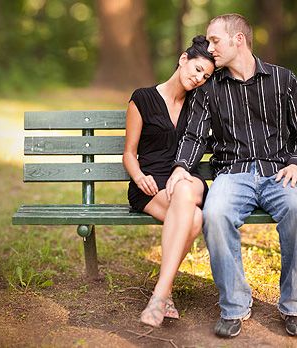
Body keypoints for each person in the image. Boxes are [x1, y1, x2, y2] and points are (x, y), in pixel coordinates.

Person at [167, 14, 297, 338]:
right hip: (232, 173)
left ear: (238, 40)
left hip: (278, 172)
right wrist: (181, 167)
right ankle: (234, 306)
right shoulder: (211, 87)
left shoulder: (282, 79)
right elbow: (195, 135)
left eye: (215, 41)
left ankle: (295, 305)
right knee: (215, 212)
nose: (209, 48)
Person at [122, 35, 215, 328]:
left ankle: (159, 295)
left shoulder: (200, 105)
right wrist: (139, 177)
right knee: (196, 219)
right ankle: (167, 292)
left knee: (186, 189)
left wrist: (293, 107)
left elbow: (247, 105)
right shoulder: (143, 98)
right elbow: (129, 153)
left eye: (206, 76)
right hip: (150, 185)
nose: (199, 78)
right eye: (197, 69)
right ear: (183, 59)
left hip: (187, 177)